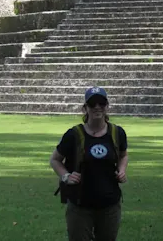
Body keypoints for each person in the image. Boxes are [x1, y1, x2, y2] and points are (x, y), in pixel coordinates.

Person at [50, 87, 128, 241]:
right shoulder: (73, 134)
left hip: (110, 203)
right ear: (85, 108)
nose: (97, 107)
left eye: (102, 103)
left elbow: (123, 155)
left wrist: (122, 170)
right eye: (92, 104)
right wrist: (65, 176)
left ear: (107, 106)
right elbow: (55, 160)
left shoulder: (117, 133)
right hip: (80, 205)